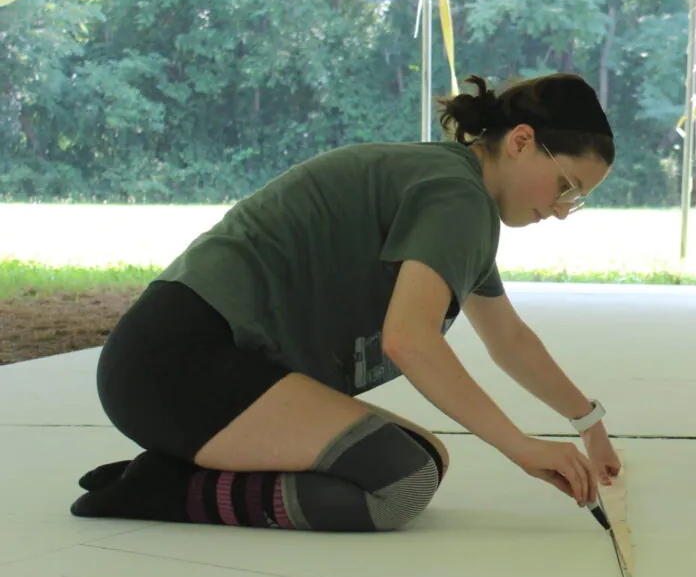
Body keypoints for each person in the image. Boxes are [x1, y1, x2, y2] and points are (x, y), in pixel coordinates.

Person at [70, 72, 620, 532]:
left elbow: (508, 338)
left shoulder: (451, 188)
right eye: (566, 187)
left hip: (181, 362)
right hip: (178, 363)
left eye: (579, 201)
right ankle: (163, 489)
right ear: (521, 141)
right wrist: (521, 447)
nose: (562, 210)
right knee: (401, 484)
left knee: (425, 455)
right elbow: (411, 340)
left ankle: (184, 462)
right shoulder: (459, 200)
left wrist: (589, 423)